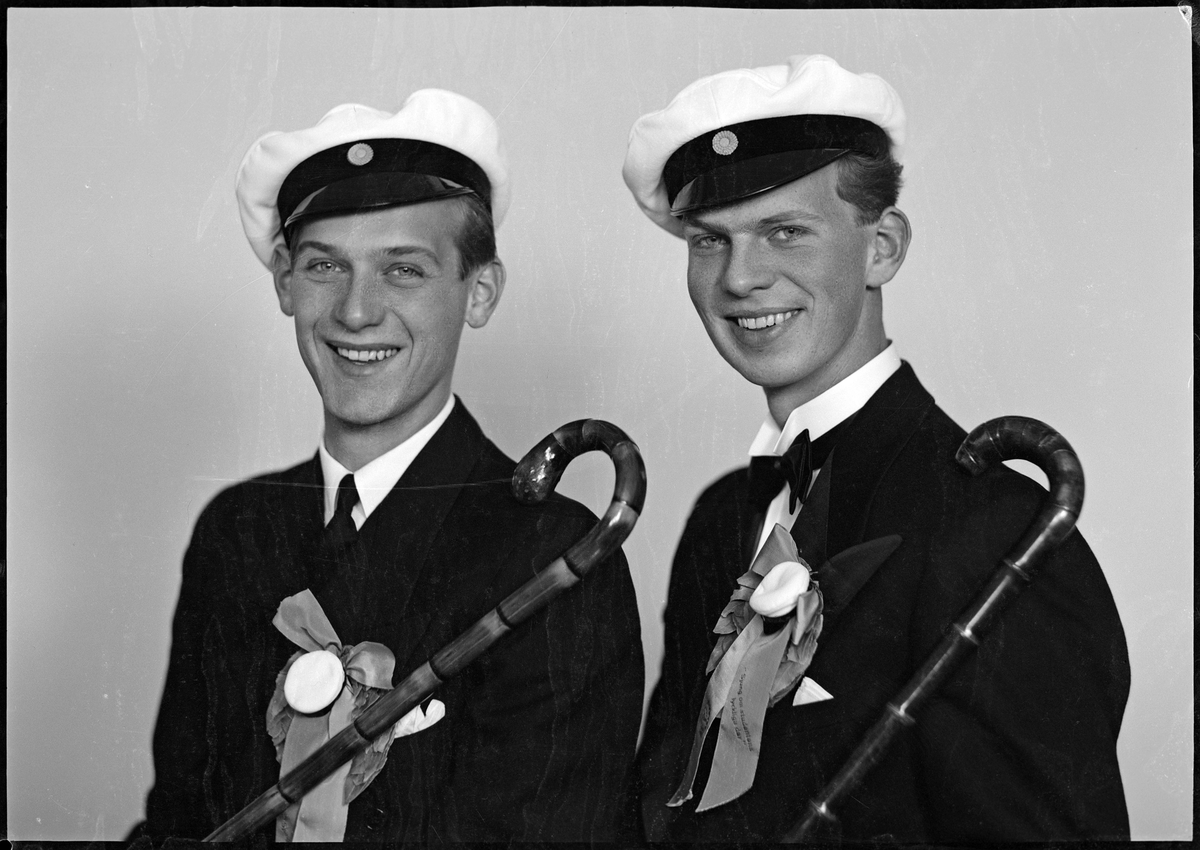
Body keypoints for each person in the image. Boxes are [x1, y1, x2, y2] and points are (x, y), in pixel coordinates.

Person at [622, 54, 1129, 843]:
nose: (740, 278)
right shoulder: (722, 516)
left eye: (785, 231)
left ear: (883, 248)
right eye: (709, 241)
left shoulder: (994, 529)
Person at [134, 90, 643, 843]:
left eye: (402, 270)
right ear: (284, 281)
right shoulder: (236, 529)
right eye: (324, 266)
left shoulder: (554, 554)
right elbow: (179, 818)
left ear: (480, 293)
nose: (355, 311)